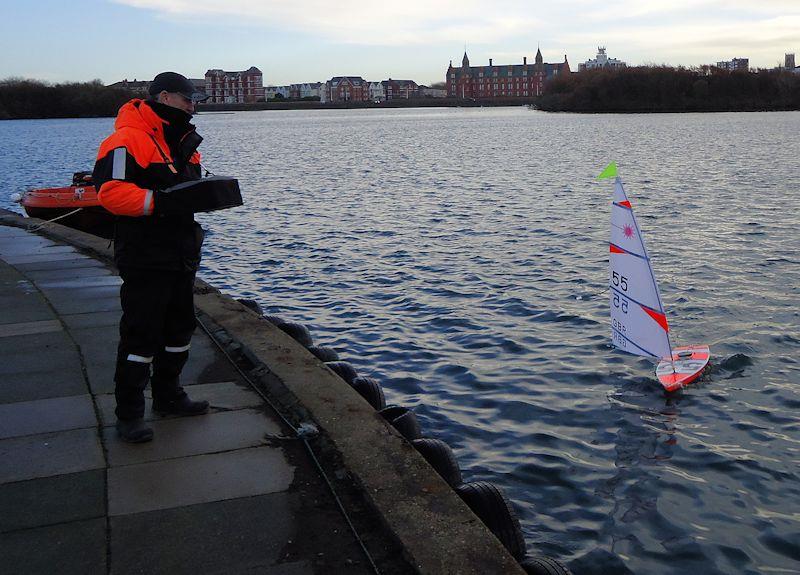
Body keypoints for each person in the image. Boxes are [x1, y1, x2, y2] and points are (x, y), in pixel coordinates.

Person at [93, 72, 211, 443]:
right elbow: (110, 193)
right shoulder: (126, 139)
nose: (193, 105)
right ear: (164, 96)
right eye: (188, 98)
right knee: (141, 333)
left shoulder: (185, 143)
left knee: (179, 328)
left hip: (180, 251)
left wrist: (210, 196)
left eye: (195, 100)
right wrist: (161, 203)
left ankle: (169, 395)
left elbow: (187, 191)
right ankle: (128, 415)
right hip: (145, 253)